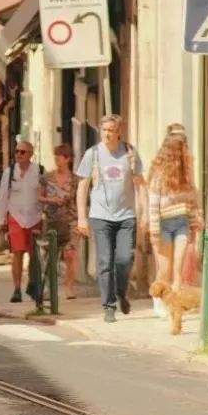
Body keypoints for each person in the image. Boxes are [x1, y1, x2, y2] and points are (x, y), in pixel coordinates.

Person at [76, 114, 144, 323]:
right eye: (104, 130)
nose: (107, 134)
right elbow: (82, 187)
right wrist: (81, 217)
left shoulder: (130, 153)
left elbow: (140, 185)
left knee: (125, 259)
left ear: (119, 131)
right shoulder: (93, 154)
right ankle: (108, 306)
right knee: (105, 261)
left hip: (126, 216)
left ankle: (121, 291)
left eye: (111, 130)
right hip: (100, 216)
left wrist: (145, 214)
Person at [147, 124, 202, 313]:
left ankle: (175, 306)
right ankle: (158, 300)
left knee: (178, 268)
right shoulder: (159, 171)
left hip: (182, 223)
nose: (184, 151)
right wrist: (154, 230)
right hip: (163, 224)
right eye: (180, 147)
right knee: (165, 268)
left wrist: (195, 220)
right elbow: (153, 201)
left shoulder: (187, 170)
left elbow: (192, 198)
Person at [0, 138, 43, 303]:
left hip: (34, 217)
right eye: (16, 151)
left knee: (34, 254)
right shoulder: (9, 172)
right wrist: (0, 219)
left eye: (22, 152)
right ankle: (16, 289)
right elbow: (3, 196)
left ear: (30, 154)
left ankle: (32, 283)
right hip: (15, 216)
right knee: (17, 253)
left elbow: (44, 192)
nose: (18, 154)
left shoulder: (39, 171)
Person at [39, 144, 79, 300]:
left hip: (70, 221)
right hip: (52, 221)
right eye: (55, 157)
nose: (56, 160)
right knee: (50, 256)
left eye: (59, 157)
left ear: (67, 159)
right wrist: (51, 200)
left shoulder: (75, 180)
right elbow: (39, 197)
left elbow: (80, 200)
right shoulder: (46, 178)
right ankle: (48, 287)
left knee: (70, 254)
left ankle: (69, 288)